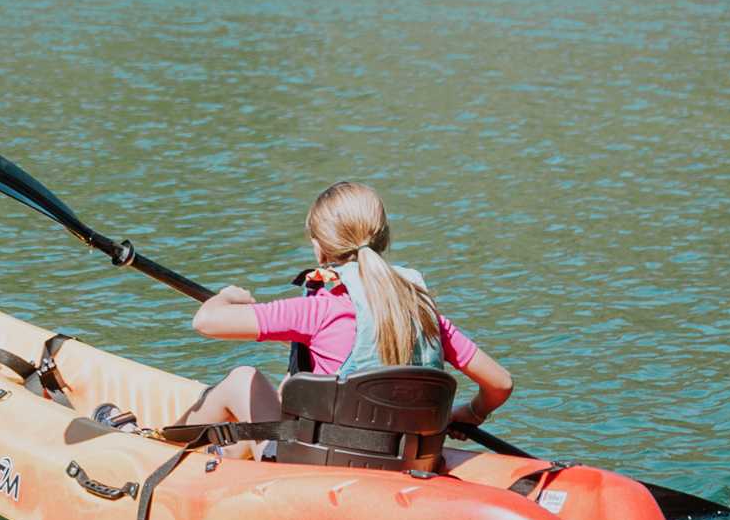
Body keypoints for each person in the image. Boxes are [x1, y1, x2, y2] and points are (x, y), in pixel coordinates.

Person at [169, 181, 512, 459]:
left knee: (242, 379)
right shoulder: (422, 311)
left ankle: (159, 450)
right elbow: (500, 383)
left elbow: (207, 321)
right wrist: (472, 413)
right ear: (384, 237)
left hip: (319, 464)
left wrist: (228, 296)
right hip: (404, 461)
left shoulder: (319, 309)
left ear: (320, 249)